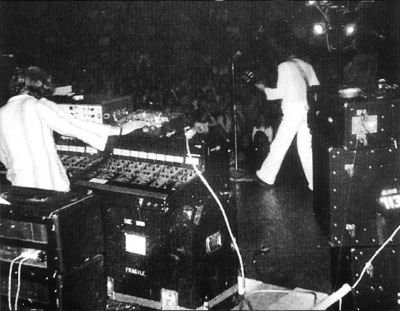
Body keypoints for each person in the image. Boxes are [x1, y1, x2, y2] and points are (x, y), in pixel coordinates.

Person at [0, 66, 146, 192]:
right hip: (48, 187)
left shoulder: (2, 112)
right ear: (39, 85)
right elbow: (72, 126)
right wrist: (118, 130)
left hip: (18, 187)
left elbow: (3, 156)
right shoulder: (38, 105)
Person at [255, 53, 320, 190]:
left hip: (292, 112)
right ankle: (315, 182)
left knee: (279, 144)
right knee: (306, 149)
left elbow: (280, 93)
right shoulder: (308, 66)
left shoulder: (284, 66)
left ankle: (267, 176)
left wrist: (263, 89)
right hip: (308, 112)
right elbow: (316, 89)